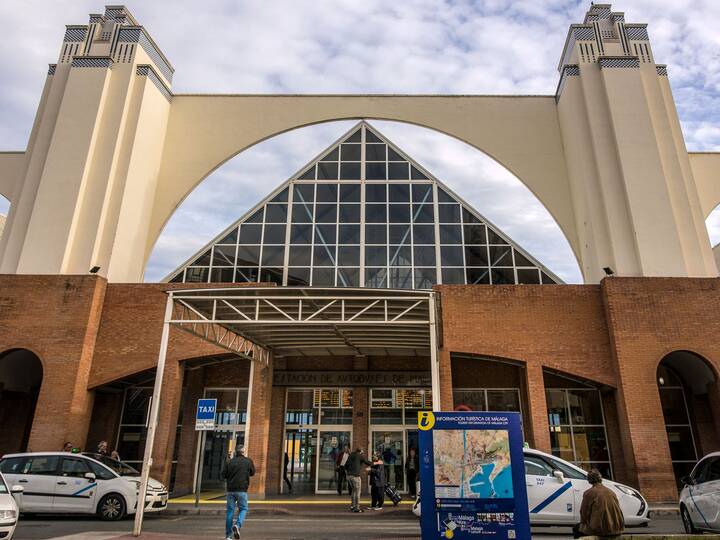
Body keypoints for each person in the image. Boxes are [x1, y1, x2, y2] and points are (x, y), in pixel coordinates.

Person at [573, 469, 624, 539]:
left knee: (576, 528)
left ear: (589, 480)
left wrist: (584, 524)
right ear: (600, 478)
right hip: (617, 528)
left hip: (602, 529)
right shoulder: (611, 492)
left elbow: (583, 513)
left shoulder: (589, 493)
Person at [222, 447, 255, 540]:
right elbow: (252, 473)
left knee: (230, 511)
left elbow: (223, 475)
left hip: (230, 490)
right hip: (242, 490)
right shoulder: (248, 461)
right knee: (244, 509)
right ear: (243, 452)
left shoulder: (229, 462)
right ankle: (238, 524)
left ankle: (228, 536)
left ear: (235, 453)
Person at [344, 447, 371, 513]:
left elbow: (345, 466)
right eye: (362, 452)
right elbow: (367, 462)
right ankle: (357, 507)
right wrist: (376, 463)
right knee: (358, 492)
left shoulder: (351, 455)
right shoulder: (360, 455)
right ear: (361, 451)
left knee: (353, 491)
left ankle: (352, 506)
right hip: (355, 476)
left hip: (349, 476)